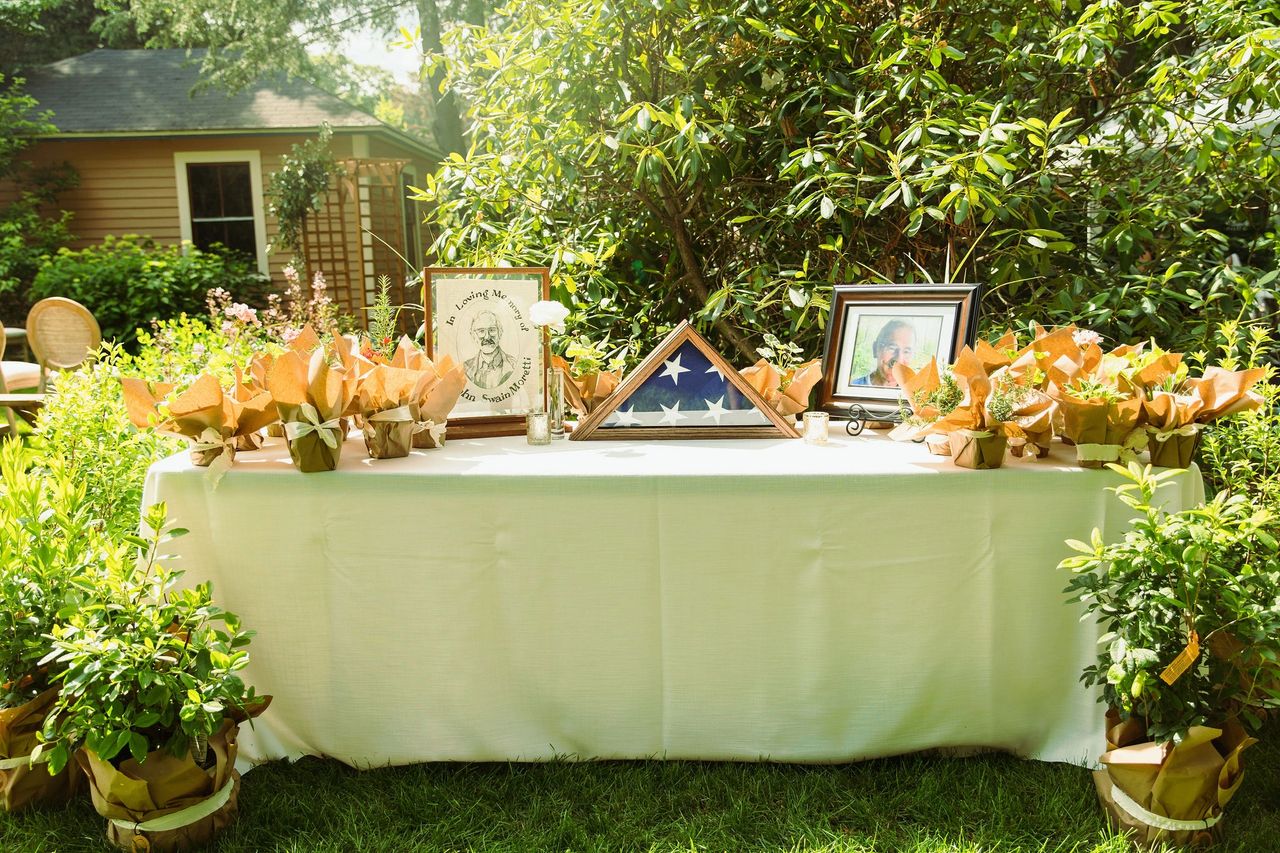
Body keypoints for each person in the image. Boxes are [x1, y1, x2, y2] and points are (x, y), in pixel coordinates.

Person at [851, 319, 917, 387]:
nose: (899, 360)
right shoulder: (852, 388)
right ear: (875, 349)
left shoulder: (916, 394)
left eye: (906, 352)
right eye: (892, 348)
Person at [463, 310, 517, 389]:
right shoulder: (465, 368)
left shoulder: (514, 365)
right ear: (473, 335)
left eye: (492, 330)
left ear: (500, 332)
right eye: (481, 331)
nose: (487, 337)